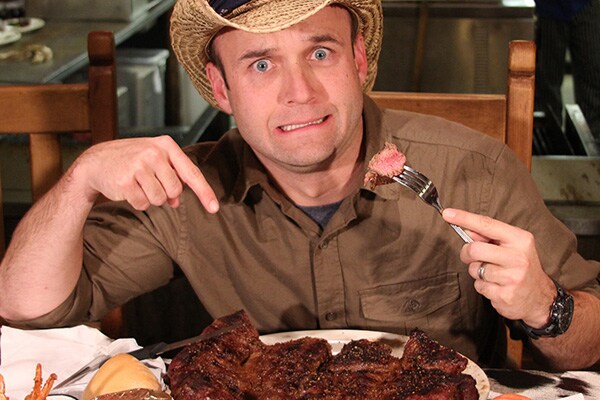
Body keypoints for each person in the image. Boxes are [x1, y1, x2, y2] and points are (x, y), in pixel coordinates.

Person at [0, 0, 599, 371]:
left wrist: (547, 308)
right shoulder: (185, 189)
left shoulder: (474, 171)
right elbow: (27, 311)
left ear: (359, 61)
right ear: (221, 88)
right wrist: (79, 180)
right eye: (261, 64)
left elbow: (592, 345)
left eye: (320, 53)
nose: (299, 93)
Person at [534, 0, 600, 142]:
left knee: (593, 79)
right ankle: (550, 140)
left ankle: (593, 142)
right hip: (549, 9)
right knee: (547, 84)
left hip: (587, 6)